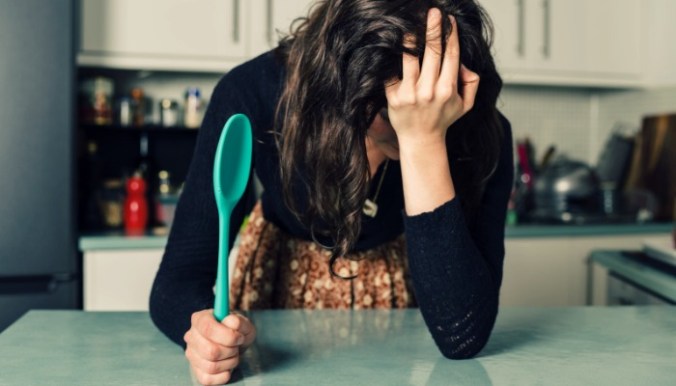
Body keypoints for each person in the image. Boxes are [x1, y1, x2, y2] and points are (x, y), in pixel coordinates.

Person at [150, 0, 514, 384]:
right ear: (342, 85)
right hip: (277, 307)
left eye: (436, 102)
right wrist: (204, 333)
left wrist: (424, 141)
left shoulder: (478, 129)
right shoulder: (255, 91)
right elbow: (177, 282)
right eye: (395, 111)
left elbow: (463, 337)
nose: (418, 112)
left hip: (401, 336)